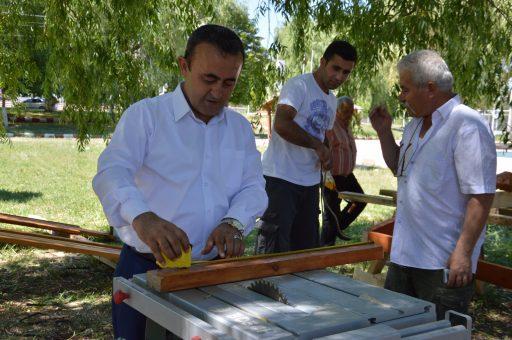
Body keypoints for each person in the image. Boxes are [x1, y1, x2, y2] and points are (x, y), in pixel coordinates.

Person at [92, 24, 268, 339]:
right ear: (183, 66)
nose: (218, 93)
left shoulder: (240, 129)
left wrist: (233, 222)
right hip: (145, 268)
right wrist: (142, 217)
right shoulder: (146, 116)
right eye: (209, 79)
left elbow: (253, 186)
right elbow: (111, 171)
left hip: (214, 273)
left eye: (230, 83)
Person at [370, 50, 496, 318]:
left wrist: (463, 252)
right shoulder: (414, 125)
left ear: (429, 88)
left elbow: (481, 196)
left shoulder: (467, 125)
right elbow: (401, 169)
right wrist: (383, 132)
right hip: (404, 256)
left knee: (439, 335)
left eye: (404, 89)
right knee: (396, 333)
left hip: (442, 263)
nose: (401, 97)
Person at [256, 40, 357, 254]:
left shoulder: (332, 100)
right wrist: (317, 146)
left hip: (310, 183)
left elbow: (322, 134)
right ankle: (265, 289)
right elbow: (282, 124)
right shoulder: (299, 85)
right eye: (335, 68)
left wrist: (327, 152)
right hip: (281, 179)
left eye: (346, 72)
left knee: (305, 251)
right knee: (273, 251)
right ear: (322, 62)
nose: (339, 77)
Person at [321, 96, 366, 245]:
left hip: (346, 175)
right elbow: (324, 148)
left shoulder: (346, 125)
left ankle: (339, 226)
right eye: (345, 111)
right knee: (331, 215)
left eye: (350, 112)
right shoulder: (331, 125)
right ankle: (324, 250)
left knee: (360, 200)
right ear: (337, 110)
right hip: (332, 176)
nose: (348, 115)